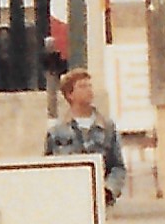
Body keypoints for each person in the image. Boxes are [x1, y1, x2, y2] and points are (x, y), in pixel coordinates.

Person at [44, 68, 126, 202]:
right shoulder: (57, 131)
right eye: (82, 86)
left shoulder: (106, 127)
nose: (89, 90)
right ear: (70, 94)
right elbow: (48, 168)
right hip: (68, 200)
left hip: (100, 202)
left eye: (90, 85)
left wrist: (108, 190)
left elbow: (118, 166)